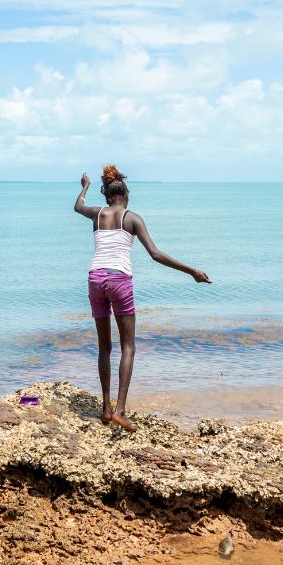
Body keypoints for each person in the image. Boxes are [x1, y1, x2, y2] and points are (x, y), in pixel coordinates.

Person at [74, 166, 210, 432]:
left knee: (104, 348)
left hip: (94, 279)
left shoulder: (97, 214)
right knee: (128, 347)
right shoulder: (131, 218)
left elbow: (78, 206)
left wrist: (85, 185)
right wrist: (191, 271)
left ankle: (105, 408)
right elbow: (155, 254)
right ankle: (120, 411)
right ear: (125, 194)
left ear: (108, 197)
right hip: (118, 280)